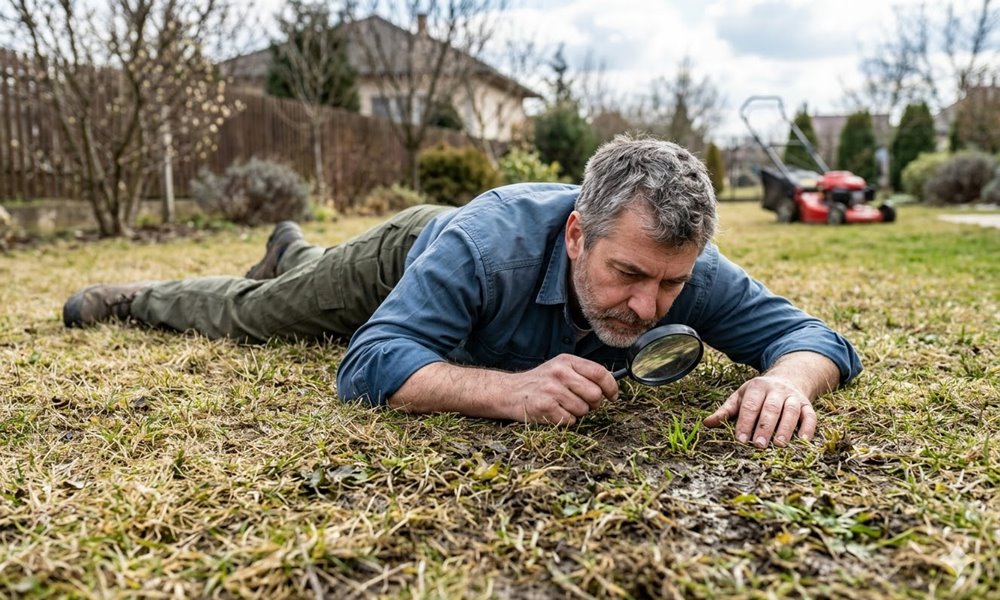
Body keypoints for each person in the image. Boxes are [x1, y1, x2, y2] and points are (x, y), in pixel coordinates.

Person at [63, 135, 861, 448]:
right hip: (405, 253)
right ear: (578, 236)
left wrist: (789, 381)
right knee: (263, 315)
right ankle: (141, 297)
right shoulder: (484, 247)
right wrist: (510, 392)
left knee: (296, 276)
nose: (651, 306)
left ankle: (293, 249)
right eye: (627, 276)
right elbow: (369, 362)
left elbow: (818, 340)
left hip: (461, 259)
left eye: (671, 283)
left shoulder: (684, 264)